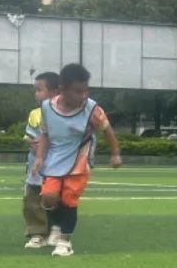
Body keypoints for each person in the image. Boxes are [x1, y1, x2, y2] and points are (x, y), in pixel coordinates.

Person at [32, 64, 122, 257]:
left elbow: (107, 130)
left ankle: (65, 241)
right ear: (62, 89)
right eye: (78, 91)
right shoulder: (47, 108)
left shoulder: (92, 108)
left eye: (85, 90)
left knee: (69, 199)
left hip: (80, 160)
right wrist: (39, 158)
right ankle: (56, 226)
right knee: (48, 197)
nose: (83, 95)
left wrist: (115, 153)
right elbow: (45, 135)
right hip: (54, 159)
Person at [22, 71, 60, 248]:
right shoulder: (34, 114)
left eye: (39, 90)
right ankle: (37, 233)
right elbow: (29, 136)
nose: (36, 94)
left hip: (57, 165)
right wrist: (32, 142)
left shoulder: (65, 113)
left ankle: (56, 230)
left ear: (54, 92)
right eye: (35, 90)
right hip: (36, 166)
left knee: (55, 199)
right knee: (32, 199)